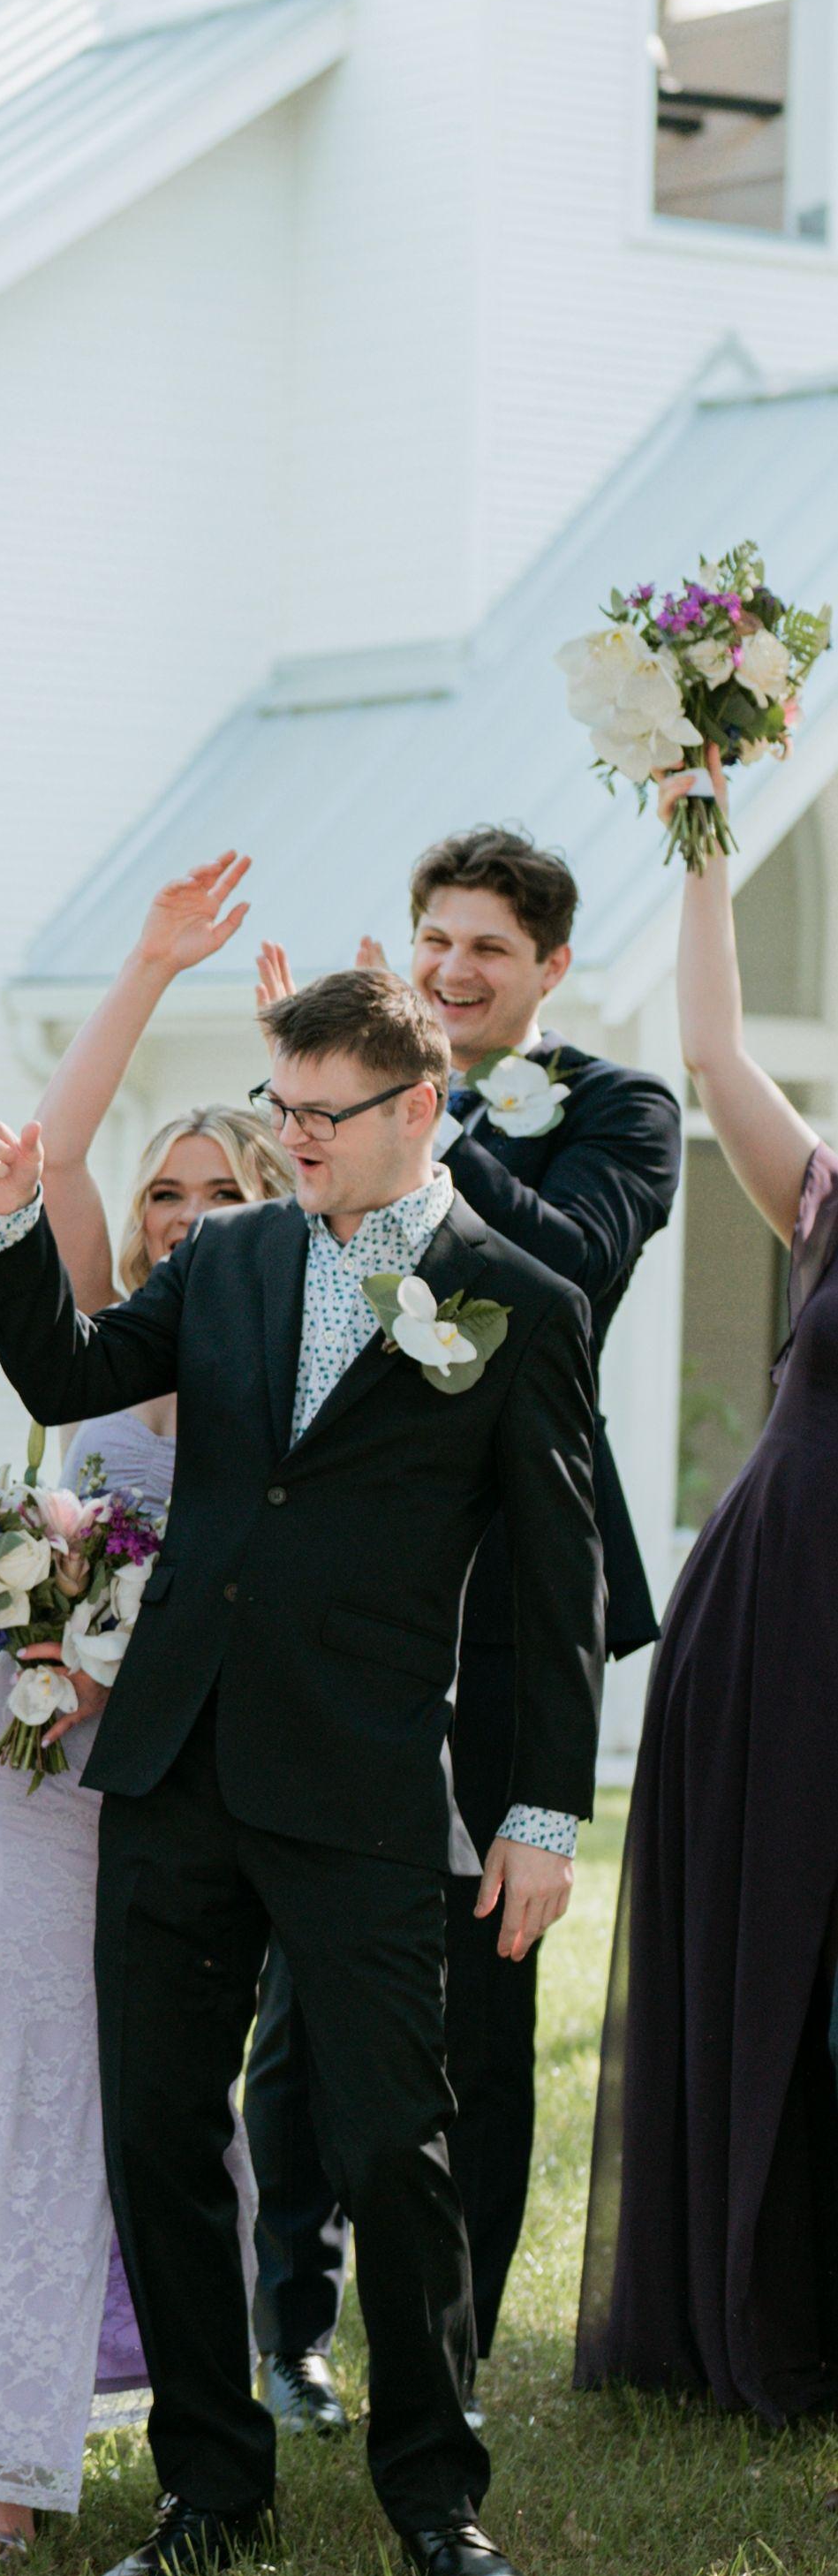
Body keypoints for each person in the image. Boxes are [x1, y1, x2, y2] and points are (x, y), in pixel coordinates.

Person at [0, 964, 603, 2576]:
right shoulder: (228, 1258)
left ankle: (435, 2499)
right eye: (282, 1108)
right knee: (162, 2133)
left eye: (323, 1115)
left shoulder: (519, 1302)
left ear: (416, 1109)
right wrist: (14, 1221)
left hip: (363, 1781)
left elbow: (556, 1584)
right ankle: (208, 2489)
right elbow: (65, 1375)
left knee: (394, 2147)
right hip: (173, 1765)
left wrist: (538, 1815)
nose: (293, 1139)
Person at [245, 831, 680, 2434]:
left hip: (507, 1610)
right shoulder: (346, 1105)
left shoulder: (623, 1113)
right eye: (432, 939)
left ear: (549, 965)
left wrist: (419, 1123)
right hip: (345, 1607)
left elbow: (566, 1264)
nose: (450, 968)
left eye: (487, 947)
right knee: (303, 1982)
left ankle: (450, 2346)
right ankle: (291, 2328)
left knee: (480, 2002)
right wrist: (340, 1110)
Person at [0, 860, 288, 2557]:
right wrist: (144, 969)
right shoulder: (109, 1335)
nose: (183, 1218)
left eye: (224, 1191)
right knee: (16, 2089)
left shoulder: (295, 1361)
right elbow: (49, 1163)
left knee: (160, 2099)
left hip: (179, 1781)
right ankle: (6, 2455)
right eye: (168, 1192)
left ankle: (201, 2401)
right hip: (32, 1765)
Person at [578, 756, 838, 2420]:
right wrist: (701, 843)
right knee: (775, 1963)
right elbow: (714, 1051)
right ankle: (762, 2303)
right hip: (786, 1614)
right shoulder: (826, 1197)